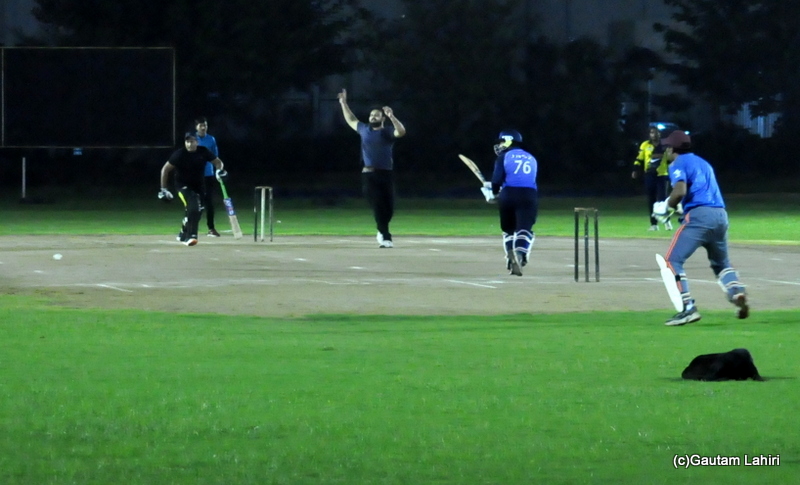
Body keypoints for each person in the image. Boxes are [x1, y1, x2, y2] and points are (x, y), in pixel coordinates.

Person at [652, 130, 748, 326]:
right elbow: (698, 191)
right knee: (721, 263)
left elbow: (680, 191)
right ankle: (736, 292)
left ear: (672, 149)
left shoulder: (677, 163)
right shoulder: (704, 163)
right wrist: (679, 206)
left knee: (672, 261)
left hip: (699, 217)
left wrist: (666, 206)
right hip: (720, 215)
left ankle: (688, 308)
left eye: (667, 147)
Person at [337, 88, 406, 248]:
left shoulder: (387, 132)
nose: (373, 117)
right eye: (371, 115)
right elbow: (351, 119)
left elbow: (401, 131)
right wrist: (343, 103)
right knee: (378, 205)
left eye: (376, 115)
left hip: (386, 174)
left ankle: (381, 229)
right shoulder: (364, 129)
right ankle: (385, 236)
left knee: (389, 208)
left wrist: (392, 116)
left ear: (382, 118)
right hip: (369, 175)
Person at [485, 129, 538, 276]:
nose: (500, 145)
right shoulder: (531, 158)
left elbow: (497, 181)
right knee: (524, 229)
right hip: (529, 195)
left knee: (509, 229)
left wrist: (493, 193)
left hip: (508, 195)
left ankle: (510, 257)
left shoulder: (503, 157)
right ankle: (520, 253)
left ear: (509, 141)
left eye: (502, 141)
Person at [159, 132, 225, 246]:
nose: (189, 144)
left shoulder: (203, 151)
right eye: (187, 142)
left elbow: (218, 162)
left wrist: (219, 171)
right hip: (182, 186)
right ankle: (191, 236)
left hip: (199, 186)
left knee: (197, 211)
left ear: (197, 142)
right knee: (193, 204)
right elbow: (165, 170)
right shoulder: (179, 154)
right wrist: (164, 189)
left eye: (192, 141)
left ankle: (182, 233)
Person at [632, 126, 671, 230]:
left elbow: (670, 160)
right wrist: (635, 169)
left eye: (656, 132)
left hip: (662, 175)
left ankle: (667, 222)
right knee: (651, 200)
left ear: (659, 134)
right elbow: (639, 158)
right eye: (652, 132)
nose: (654, 134)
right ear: (650, 134)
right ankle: (654, 224)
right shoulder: (645, 145)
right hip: (649, 175)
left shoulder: (665, 145)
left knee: (662, 200)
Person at [195, 116, 221, 237]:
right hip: (195, 175)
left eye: (205, 125)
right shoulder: (192, 139)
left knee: (209, 203)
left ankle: (211, 228)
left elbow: (216, 158)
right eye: (201, 125)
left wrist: (218, 171)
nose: (203, 128)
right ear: (196, 127)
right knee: (196, 203)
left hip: (208, 175)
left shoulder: (211, 139)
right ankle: (190, 227)